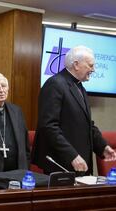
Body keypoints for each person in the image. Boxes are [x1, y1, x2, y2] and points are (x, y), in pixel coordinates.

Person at [32, 45, 116, 175]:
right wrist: (71, 155)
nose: (93, 69)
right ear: (76, 65)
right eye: (90, 65)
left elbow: (88, 125)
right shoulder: (55, 84)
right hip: (61, 165)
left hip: (79, 164)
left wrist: (103, 147)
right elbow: (48, 126)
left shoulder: (79, 87)